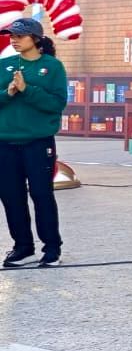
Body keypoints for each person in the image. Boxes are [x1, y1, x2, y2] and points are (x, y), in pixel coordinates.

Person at [0, 18, 67, 268]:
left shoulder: (52, 67)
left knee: (41, 194)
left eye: (19, 36)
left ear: (36, 38)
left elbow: (56, 104)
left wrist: (27, 89)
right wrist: (8, 93)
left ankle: (52, 248)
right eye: (11, 36)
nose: (13, 40)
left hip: (38, 143)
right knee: (11, 196)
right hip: (5, 143)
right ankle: (23, 248)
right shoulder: (4, 65)